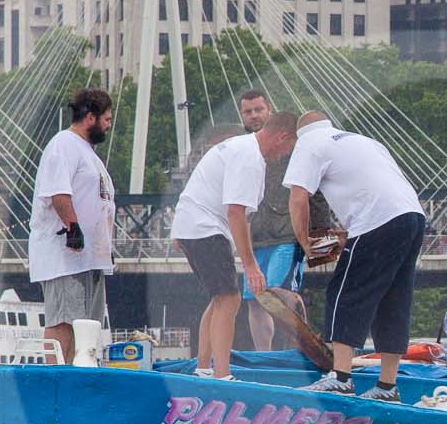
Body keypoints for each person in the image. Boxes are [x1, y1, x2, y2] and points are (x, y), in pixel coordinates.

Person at [284, 112, 427, 401]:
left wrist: (304, 242)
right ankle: (387, 387)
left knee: (344, 293)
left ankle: (340, 377)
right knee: (393, 300)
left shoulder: (309, 143)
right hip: (412, 215)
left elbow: (299, 198)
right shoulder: (364, 141)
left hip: (376, 219)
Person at [170, 111, 300, 380]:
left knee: (220, 299)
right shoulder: (248, 157)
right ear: (283, 137)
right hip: (205, 227)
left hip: (195, 224)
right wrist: (251, 265)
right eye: (290, 146)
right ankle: (221, 373)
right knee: (231, 299)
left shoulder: (242, 148)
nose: (287, 153)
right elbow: (236, 213)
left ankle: (204, 367)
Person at [235, 89, 333, 351]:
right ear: (242, 115)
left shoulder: (293, 147)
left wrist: (322, 234)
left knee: (281, 296)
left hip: (286, 237)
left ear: (270, 110)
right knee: (254, 300)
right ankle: (264, 357)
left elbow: (314, 191)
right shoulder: (242, 149)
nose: (254, 115)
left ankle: (298, 350)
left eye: (259, 109)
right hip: (254, 238)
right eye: (248, 111)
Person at [29, 88, 116, 366]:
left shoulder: (87, 151)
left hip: (90, 257)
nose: (109, 125)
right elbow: (58, 192)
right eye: (106, 119)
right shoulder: (63, 144)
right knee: (64, 319)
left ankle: (79, 374)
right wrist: (73, 228)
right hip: (65, 254)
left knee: (87, 323)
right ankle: (56, 375)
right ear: (90, 117)